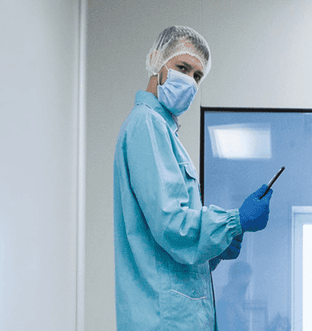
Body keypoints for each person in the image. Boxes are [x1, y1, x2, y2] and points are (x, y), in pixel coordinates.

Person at [113, 26, 274, 330]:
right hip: (163, 319)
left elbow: (169, 254)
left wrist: (217, 247)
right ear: (156, 60)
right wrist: (234, 221)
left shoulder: (163, 132)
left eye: (197, 76)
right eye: (182, 68)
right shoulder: (146, 126)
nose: (189, 81)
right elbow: (171, 224)